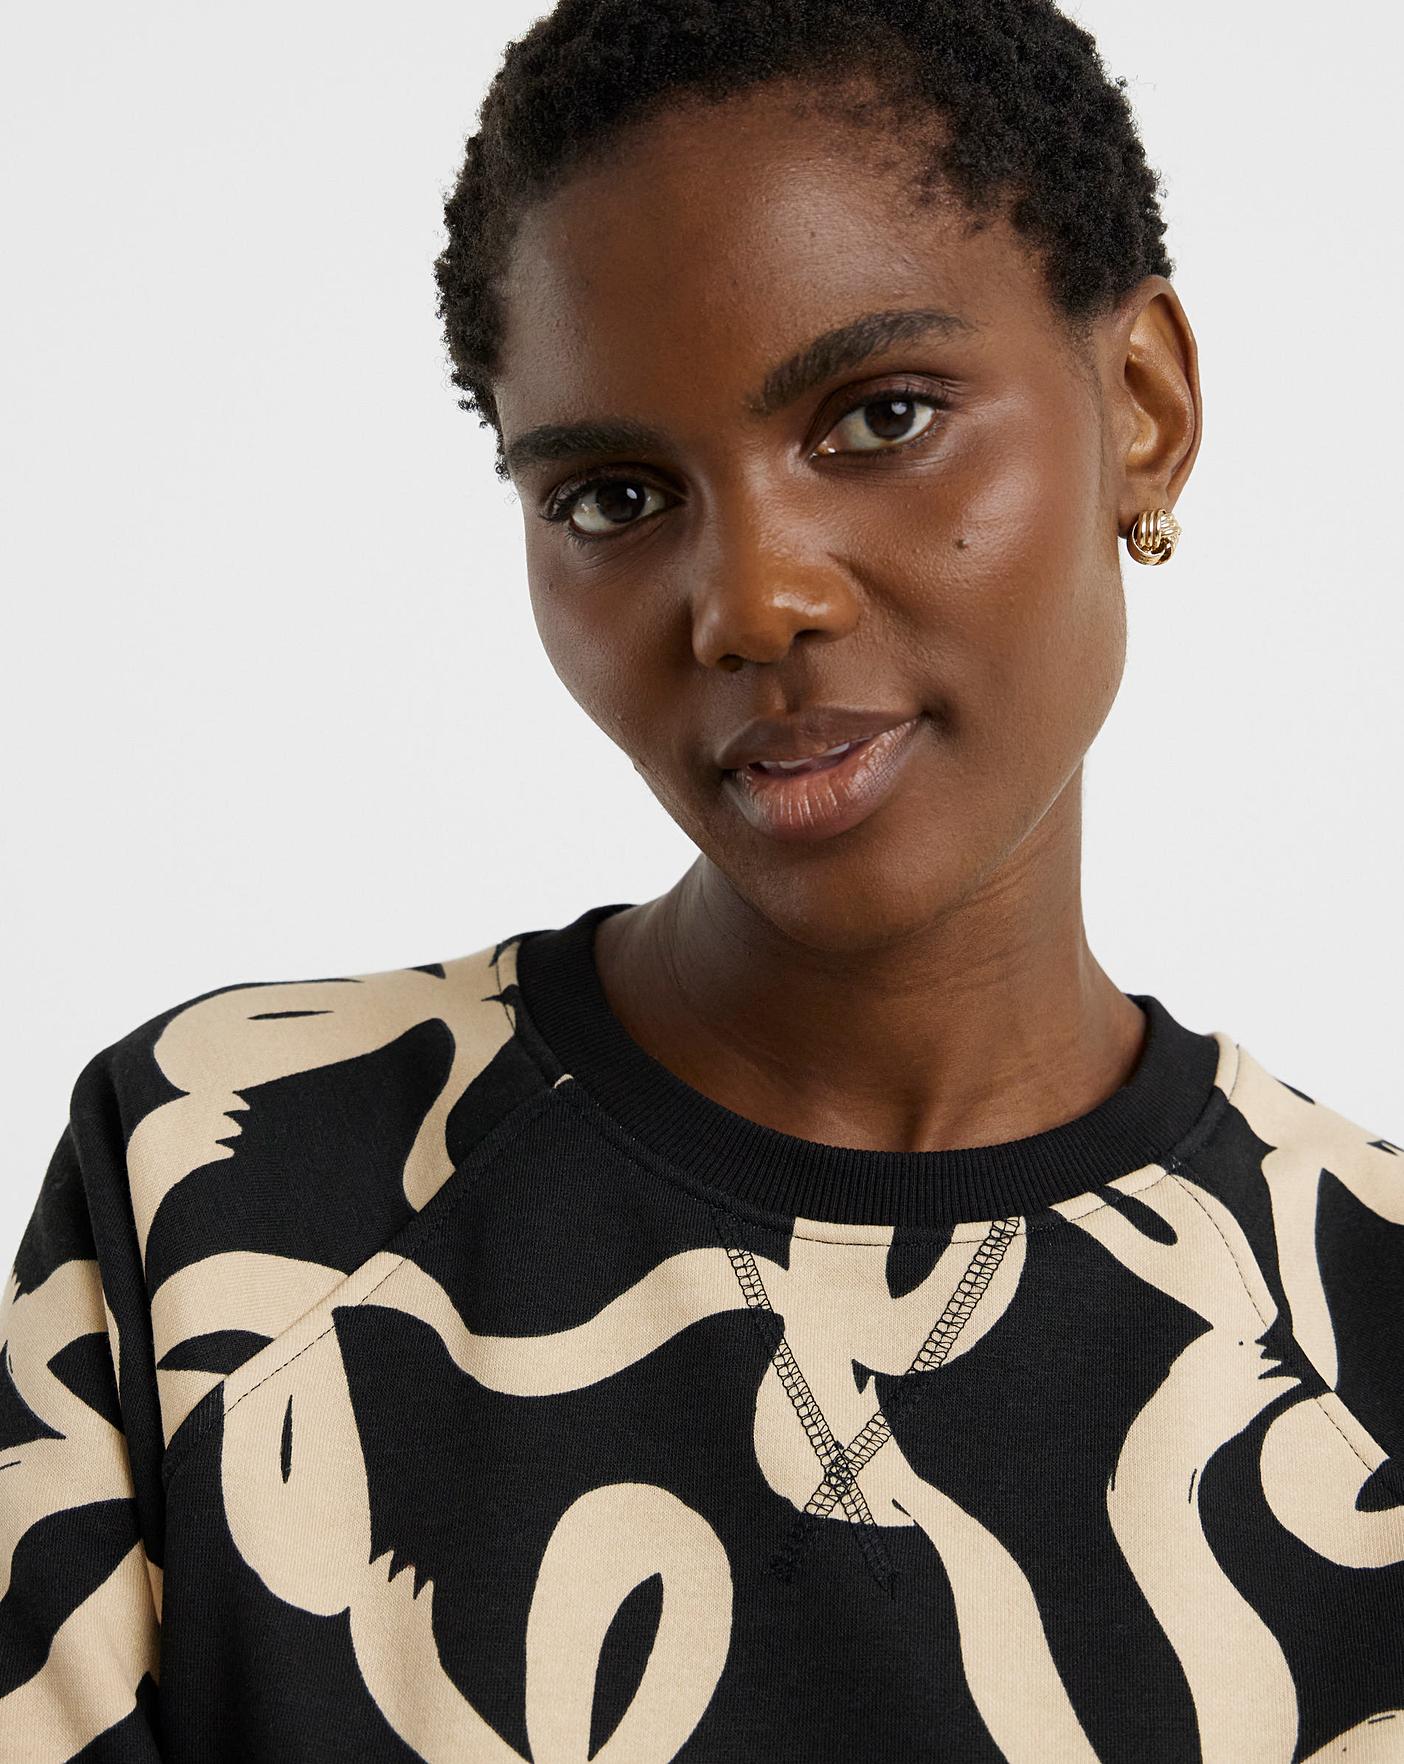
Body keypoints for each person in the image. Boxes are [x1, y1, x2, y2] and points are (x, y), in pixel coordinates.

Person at [3, 0, 1401, 1758]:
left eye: (881, 415)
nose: (752, 603)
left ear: (1143, 408)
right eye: (612, 498)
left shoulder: (1364, 1335)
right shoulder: (230, 1201)